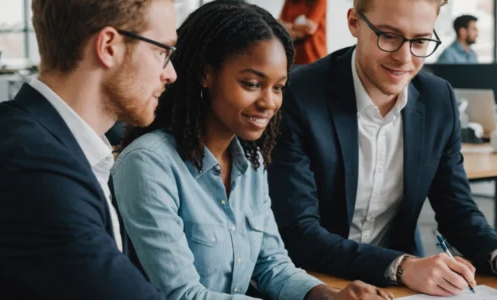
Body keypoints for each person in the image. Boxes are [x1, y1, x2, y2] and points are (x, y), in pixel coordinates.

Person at [269, 0, 497, 296]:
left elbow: (457, 210)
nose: (404, 58)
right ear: (354, 22)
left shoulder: (437, 98)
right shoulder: (298, 95)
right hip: (316, 283)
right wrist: (402, 266)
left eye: (419, 41)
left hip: (401, 287)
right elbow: (299, 232)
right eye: (389, 36)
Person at [112, 2, 390, 300]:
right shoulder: (148, 165)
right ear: (205, 74)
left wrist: (332, 297)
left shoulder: (251, 162)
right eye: (252, 84)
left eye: (278, 87)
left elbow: (273, 265)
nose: (269, 102)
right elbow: (183, 295)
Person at [0, 0, 177, 298]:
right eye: (161, 51)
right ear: (109, 46)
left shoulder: (31, 135)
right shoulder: (33, 167)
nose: (170, 73)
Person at [279, 0, 327, 65]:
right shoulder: (289, 1)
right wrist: (300, 29)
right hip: (291, 55)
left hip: (313, 54)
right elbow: (279, 23)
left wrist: (289, 28)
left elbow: (310, 28)